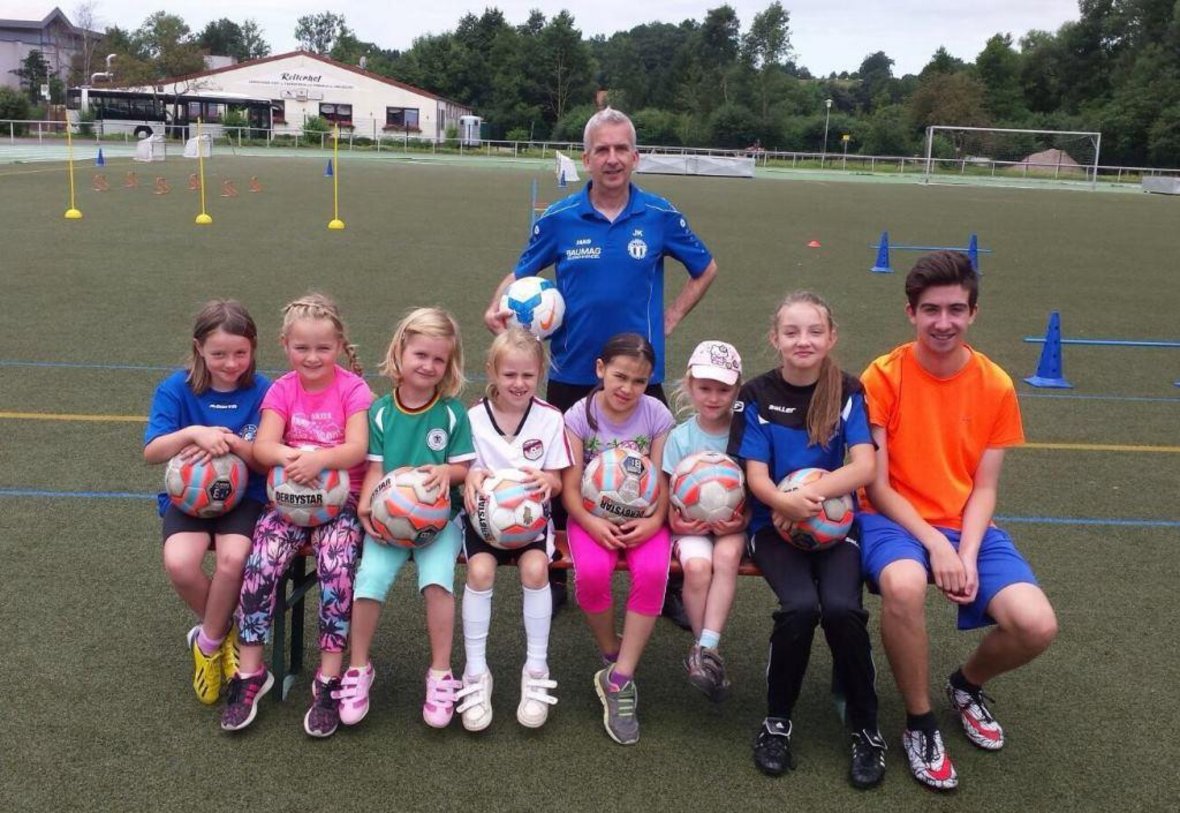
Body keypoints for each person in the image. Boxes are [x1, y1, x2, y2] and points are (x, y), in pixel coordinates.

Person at [485, 107, 717, 626]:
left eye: (621, 149)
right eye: (601, 150)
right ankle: (563, 571)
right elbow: (520, 272)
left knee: (651, 474)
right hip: (570, 371)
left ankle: (669, 578)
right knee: (567, 472)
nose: (612, 159)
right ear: (586, 158)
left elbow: (706, 268)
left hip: (639, 374)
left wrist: (671, 316)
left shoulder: (659, 215)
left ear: (635, 156)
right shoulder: (561, 218)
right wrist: (495, 303)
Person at [859, 251, 1058, 791]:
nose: (942, 322)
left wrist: (965, 552)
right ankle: (919, 722)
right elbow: (875, 483)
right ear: (910, 313)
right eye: (930, 310)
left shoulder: (995, 384)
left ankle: (966, 684)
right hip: (890, 519)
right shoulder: (882, 376)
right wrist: (934, 545)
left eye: (954, 309)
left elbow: (986, 486)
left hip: (964, 525)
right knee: (903, 585)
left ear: (973, 312)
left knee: (1036, 625)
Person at [729, 291, 886, 789]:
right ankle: (777, 722)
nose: (804, 340)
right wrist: (782, 501)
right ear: (774, 339)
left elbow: (864, 465)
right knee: (799, 608)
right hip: (773, 527)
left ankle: (866, 729)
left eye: (815, 331)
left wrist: (812, 493)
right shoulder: (754, 395)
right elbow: (755, 477)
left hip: (836, 527)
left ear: (831, 337)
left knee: (842, 609)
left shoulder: (848, 390)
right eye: (792, 332)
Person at [221, 293, 372, 737]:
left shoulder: (352, 389)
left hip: (341, 506)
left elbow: (357, 448)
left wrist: (321, 460)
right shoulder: (281, 389)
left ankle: (328, 679)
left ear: (340, 347)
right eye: (302, 348)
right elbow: (264, 447)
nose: (312, 357)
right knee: (261, 562)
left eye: (323, 348)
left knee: (337, 567)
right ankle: (250, 672)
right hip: (286, 507)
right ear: (285, 345)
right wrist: (291, 455)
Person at [343, 308, 476, 730]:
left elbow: (464, 470)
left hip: (439, 524)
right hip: (388, 523)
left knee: (437, 583)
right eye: (420, 354)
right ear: (399, 352)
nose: (428, 365)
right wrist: (368, 505)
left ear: (448, 365)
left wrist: (445, 472)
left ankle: (440, 673)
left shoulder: (453, 413)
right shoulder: (380, 412)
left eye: (439, 360)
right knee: (369, 582)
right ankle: (358, 667)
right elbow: (376, 471)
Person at [143, 300, 269, 706]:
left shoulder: (265, 390)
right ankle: (228, 628)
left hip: (246, 497)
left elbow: (267, 458)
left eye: (239, 353)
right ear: (199, 348)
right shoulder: (176, 390)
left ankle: (209, 644)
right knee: (180, 562)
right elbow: (153, 451)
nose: (230, 363)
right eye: (218, 354)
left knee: (234, 559)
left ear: (252, 348)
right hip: (189, 501)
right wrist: (194, 432)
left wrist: (235, 443)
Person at [561, 333, 676, 745]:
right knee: (591, 574)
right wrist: (593, 525)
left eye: (639, 381)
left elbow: (662, 481)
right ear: (600, 370)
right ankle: (612, 654)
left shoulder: (657, 416)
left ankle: (621, 679)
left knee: (651, 573)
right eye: (620, 376)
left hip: (645, 522)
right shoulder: (578, 416)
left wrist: (656, 520)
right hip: (593, 519)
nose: (628, 388)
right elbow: (570, 489)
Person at [457, 328, 572, 731]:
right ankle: (475, 672)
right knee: (480, 572)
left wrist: (547, 483)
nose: (518, 383)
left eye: (527, 375)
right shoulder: (473, 417)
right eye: (509, 375)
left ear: (540, 372)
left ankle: (536, 669)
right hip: (484, 522)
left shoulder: (550, 418)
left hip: (531, 522)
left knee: (537, 570)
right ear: (492, 371)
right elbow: (466, 470)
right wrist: (470, 479)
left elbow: (557, 480)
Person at [661, 340, 747, 701]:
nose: (713, 397)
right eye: (705, 388)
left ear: (737, 390)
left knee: (725, 559)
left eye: (723, 390)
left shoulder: (745, 432)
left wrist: (743, 520)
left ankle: (706, 649)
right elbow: (665, 488)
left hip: (733, 524)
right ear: (690, 386)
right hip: (690, 525)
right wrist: (675, 523)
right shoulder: (680, 438)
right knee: (697, 567)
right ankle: (705, 648)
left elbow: (755, 483)